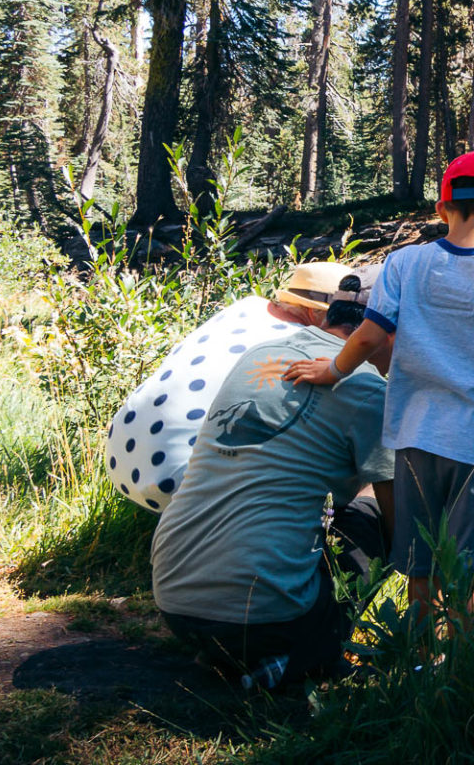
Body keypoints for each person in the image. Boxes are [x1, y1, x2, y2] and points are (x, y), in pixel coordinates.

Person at [284, 150, 474, 625]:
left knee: (420, 569)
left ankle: (418, 659)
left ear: (443, 210)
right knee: (470, 571)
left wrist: (331, 372)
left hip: (412, 439)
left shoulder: (403, 262)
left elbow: (369, 335)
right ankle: (468, 669)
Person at [150, 268, 394, 689]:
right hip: (261, 619)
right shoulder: (370, 388)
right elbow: (404, 523)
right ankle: (303, 658)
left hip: (173, 603)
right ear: (384, 331)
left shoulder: (258, 355)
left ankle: (229, 651)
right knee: (373, 509)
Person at [105, 261, 353, 512]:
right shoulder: (299, 343)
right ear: (315, 313)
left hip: (120, 458)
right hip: (184, 485)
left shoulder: (248, 307)